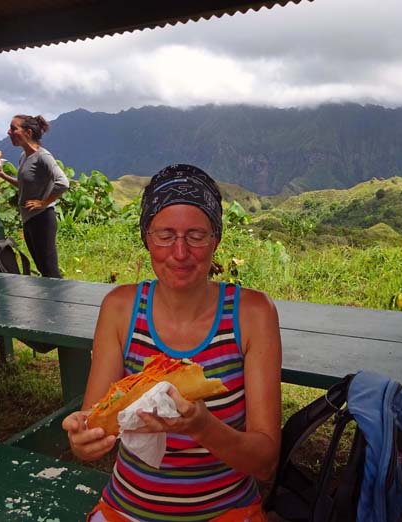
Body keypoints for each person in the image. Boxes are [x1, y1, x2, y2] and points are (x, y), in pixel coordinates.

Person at [62, 164, 282, 522]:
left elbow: (265, 462)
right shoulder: (120, 309)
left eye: (196, 235)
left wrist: (201, 426)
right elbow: (96, 424)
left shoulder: (252, 314)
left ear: (216, 239)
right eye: (165, 234)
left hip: (225, 512)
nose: (180, 253)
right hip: (127, 510)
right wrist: (82, 441)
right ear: (147, 237)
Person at [0, 114, 69, 278]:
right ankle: (51, 301)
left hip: (43, 219)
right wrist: (1, 174)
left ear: (28, 132)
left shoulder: (43, 156)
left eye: (13, 128)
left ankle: (60, 302)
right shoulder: (24, 156)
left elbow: (63, 182)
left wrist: (43, 203)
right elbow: (24, 185)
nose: (9, 132)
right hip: (30, 220)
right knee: (42, 268)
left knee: (49, 270)